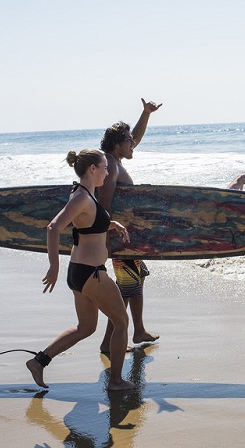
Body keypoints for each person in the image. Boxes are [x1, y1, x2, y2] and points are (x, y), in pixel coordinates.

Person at [26, 149, 134, 391]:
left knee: (86, 327)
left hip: (80, 273)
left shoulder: (83, 193)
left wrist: (110, 224)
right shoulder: (82, 197)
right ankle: (116, 382)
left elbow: (86, 223)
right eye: (104, 167)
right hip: (92, 272)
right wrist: (54, 266)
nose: (107, 172)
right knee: (121, 322)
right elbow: (53, 228)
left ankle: (39, 361)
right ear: (92, 169)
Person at [98, 98, 162, 353]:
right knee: (126, 288)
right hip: (117, 238)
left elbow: (134, 137)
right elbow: (104, 206)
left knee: (136, 279)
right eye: (128, 141)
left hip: (125, 238)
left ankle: (137, 330)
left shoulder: (113, 161)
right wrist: (106, 244)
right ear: (117, 145)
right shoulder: (110, 167)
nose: (133, 143)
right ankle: (112, 341)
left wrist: (145, 114)